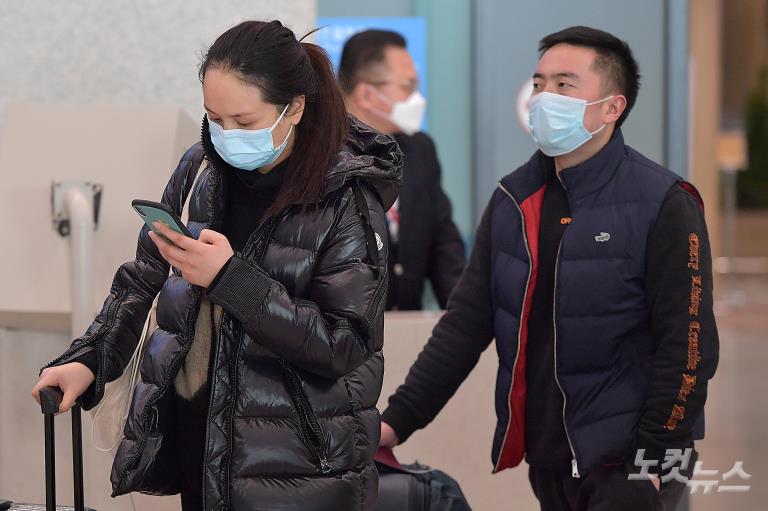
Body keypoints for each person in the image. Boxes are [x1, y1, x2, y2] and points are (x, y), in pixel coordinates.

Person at [32, 20, 401, 511]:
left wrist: (230, 279)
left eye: (244, 122)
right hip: (202, 444)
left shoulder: (346, 198)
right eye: (214, 117)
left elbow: (346, 343)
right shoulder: (199, 170)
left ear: (294, 108)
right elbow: (143, 277)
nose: (226, 135)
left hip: (301, 471)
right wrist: (90, 359)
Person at [378, 26, 718, 511]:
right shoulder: (514, 201)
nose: (543, 97)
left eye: (564, 84)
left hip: (630, 465)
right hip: (551, 460)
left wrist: (657, 461)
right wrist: (397, 420)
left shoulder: (664, 202)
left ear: (611, 108)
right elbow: (464, 325)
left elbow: (689, 347)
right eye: (538, 84)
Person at [339, 30, 465, 310]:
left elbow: (444, 243)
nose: (416, 99)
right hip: (341, 337)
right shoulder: (322, 157)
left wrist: (463, 319)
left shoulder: (420, 150)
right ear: (367, 94)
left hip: (410, 332)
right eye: (407, 87)